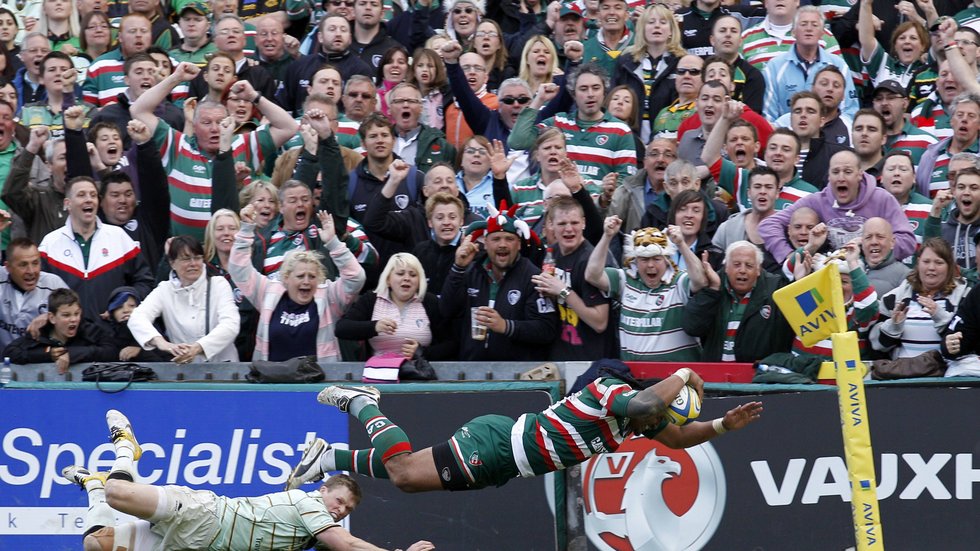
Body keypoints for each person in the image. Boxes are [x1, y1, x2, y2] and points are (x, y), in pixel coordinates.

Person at [287, 369, 763, 493]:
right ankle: (363, 403)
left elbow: (678, 439)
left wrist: (722, 424)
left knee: (409, 477)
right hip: (499, 443)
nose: (657, 424)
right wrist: (682, 376)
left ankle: (329, 457)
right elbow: (645, 403)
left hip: (505, 465)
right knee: (405, 474)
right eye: (661, 414)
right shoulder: (613, 392)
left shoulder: (645, 420)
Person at [63, 409, 434, 551]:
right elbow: (347, 545)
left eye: (347, 509)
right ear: (321, 490)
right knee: (118, 491)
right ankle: (126, 446)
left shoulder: (311, 535)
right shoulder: (308, 505)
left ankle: (93, 485)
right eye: (338, 502)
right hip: (203, 516)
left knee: (96, 546)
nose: (340, 511)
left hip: (193, 546)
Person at [131, 61, 298, 241]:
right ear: (194, 126)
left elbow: (288, 126)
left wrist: (253, 96)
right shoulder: (178, 145)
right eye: (206, 122)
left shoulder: (242, 144)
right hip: (185, 253)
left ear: (230, 124)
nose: (215, 129)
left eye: (220, 123)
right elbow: (138, 110)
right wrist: (176, 77)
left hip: (230, 251)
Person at [230, 206, 366, 361]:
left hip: (317, 381)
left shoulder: (329, 297)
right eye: (300, 276)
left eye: (312, 276)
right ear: (286, 278)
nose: (307, 282)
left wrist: (333, 243)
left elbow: (356, 278)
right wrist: (246, 229)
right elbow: (238, 268)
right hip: (272, 381)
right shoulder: (268, 292)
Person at [439, 204, 560, 361]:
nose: (502, 244)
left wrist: (505, 326)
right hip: (473, 372)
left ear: (518, 244)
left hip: (517, 377)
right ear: (486, 243)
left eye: (509, 239)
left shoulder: (533, 277)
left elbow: (546, 330)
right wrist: (458, 268)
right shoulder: (472, 272)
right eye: (496, 239)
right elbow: (446, 310)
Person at [759, 150, 917, 264]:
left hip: (872, 274)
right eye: (836, 172)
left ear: (859, 174)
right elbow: (768, 225)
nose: (841, 177)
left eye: (848, 172)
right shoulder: (817, 201)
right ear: (829, 176)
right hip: (829, 274)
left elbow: (908, 242)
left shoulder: (882, 199)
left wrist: (869, 247)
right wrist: (790, 257)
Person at [38, 176, 154, 325]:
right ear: (68, 204)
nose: (89, 199)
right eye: (81, 195)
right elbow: (38, 292)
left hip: (112, 333)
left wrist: (127, 300)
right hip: (69, 338)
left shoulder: (118, 237)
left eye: (93, 195)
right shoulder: (50, 244)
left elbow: (144, 281)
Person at [586, 219, 708, 361]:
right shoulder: (625, 279)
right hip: (636, 377)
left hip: (677, 377)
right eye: (644, 259)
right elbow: (592, 275)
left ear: (666, 259)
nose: (650, 265)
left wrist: (681, 244)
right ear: (635, 261)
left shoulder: (679, 281)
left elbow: (701, 280)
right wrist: (607, 236)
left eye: (656, 259)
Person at [509, 63, 637, 183]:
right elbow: (517, 142)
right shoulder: (557, 123)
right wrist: (539, 100)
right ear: (573, 94)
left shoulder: (620, 130)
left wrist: (604, 197)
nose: (590, 94)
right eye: (583, 89)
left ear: (604, 92)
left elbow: (626, 182)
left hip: (597, 204)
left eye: (596, 88)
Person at [127, 235, 240, 363]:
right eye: (186, 259)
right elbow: (137, 318)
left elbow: (231, 325)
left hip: (224, 368)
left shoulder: (218, 284)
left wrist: (198, 347)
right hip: (185, 371)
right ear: (172, 263)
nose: (193, 264)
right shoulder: (164, 289)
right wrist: (162, 343)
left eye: (197, 258)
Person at [530, 196, 614, 360]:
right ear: (551, 225)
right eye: (562, 224)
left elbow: (599, 322)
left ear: (583, 223)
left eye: (574, 223)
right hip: (560, 355)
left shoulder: (590, 261)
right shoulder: (551, 254)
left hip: (591, 361)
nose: (569, 229)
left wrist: (563, 291)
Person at [683, 241, 794, 362]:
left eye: (749, 265)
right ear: (726, 267)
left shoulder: (776, 288)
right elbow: (692, 328)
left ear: (758, 270)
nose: (742, 270)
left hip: (760, 374)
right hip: (715, 373)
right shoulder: (713, 284)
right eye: (736, 264)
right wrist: (712, 291)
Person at [336, 252, 454, 360]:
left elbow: (450, 344)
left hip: (421, 375)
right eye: (400, 273)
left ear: (419, 281)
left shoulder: (429, 301)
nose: (407, 278)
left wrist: (422, 352)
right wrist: (374, 326)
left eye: (413, 275)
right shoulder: (371, 299)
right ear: (388, 279)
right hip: (380, 375)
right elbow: (342, 328)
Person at [871, 237, 969, 359]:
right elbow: (877, 347)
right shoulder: (893, 298)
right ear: (918, 263)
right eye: (926, 261)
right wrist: (894, 326)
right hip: (904, 372)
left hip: (946, 374)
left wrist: (940, 317)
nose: (931, 267)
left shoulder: (965, 298)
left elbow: (968, 342)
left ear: (949, 266)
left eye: (938, 262)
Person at [761, 6, 858, 122]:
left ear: (823, 33)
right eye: (803, 24)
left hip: (831, 136)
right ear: (793, 32)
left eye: (814, 25)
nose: (809, 29)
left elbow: (850, 112)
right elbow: (768, 117)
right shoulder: (774, 67)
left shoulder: (839, 65)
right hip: (787, 135)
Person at [611, 4, 685, 144]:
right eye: (651, 22)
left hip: (667, 137)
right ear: (642, 29)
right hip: (628, 136)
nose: (657, 26)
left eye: (663, 22)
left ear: (671, 30)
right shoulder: (626, 61)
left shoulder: (681, 63)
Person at [278, 15, 373, 116]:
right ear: (320, 37)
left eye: (343, 30)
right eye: (332, 29)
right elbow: (284, 106)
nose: (338, 34)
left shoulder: (361, 69)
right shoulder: (299, 65)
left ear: (350, 38)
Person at [3, 287, 115, 371]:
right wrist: (47, 354)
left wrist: (72, 354)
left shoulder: (88, 329)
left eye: (77, 314)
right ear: (52, 318)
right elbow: (9, 353)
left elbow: (111, 351)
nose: (74, 319)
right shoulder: (39, 333)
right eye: (66, 315)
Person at [0, 234, 68, 350]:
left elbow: (77, 318)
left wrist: (52, 317)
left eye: (35, 263)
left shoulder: (54, 284)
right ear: (8, 267)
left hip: (42, 362)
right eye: (23, 265)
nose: (31, 271)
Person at [605, 137, 677, 233]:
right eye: (654, 154)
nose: (660, 159)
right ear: (645, 163)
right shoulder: (627, 190)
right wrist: (604, 200)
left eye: (668, 155)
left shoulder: (684, 192)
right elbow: (605, 226)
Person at [922, 166, 980, 272]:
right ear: (953, 192)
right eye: (961, 187)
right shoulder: (942, 227)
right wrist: (936, 210)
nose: (966, 192)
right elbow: (927, 257)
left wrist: (951, 271)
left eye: (974, 188)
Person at [861, 216, 911, 296]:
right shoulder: (852, 270)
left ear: (892, 242)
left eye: (880, 237)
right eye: (868, 237)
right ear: (862, 243)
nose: (874, 242)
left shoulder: (905, 275)